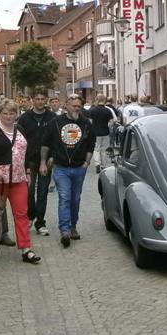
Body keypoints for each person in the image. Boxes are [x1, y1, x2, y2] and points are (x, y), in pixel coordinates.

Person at [0, 101, 41, 264]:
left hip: (18, 177)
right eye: (5, 113)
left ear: (16, 114)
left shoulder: (19, 129)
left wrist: (28, 170)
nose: (8, 116)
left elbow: (25, 152)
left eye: (12, 113)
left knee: (21, 213)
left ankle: (26, 248)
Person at [40, 94, 96, 248]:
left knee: (75, 199)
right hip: (61, 168)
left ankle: (73, 226)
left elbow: (91, 143)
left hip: (79, 168)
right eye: (74, 106)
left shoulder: (86, 124)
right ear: (66, 105)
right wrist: (43, 162)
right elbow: (46, 144)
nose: (77, 109)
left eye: (79, 106)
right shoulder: (55, 123)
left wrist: (87, 162)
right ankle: (64, 230)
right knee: (64, 197)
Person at [19, 90, 57, 236]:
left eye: (42, 99)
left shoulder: (52, 117)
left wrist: (53, 157)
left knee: (42, 192)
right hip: (28, 161)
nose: (40, 101)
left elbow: (56, 139)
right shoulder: (24, 118)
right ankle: (30, 216)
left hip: (46, 160)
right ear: (32, 100)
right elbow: (20, 141)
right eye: (37, 98)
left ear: (46, 100)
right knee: (28, 192)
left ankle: (40, 222)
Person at [86, 94, 117, 168]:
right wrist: (107, 126)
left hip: (95, 132)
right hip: (105, 132)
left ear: (97, 99)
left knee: (96, 149)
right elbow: (112, 122)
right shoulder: (108, 110)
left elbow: (90, 122)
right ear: (104, 100)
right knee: (104, 149)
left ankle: (97, 163)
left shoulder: (92, 110)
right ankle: (104, 165)